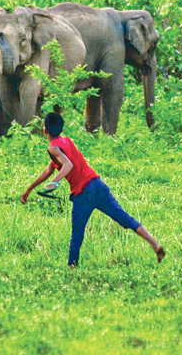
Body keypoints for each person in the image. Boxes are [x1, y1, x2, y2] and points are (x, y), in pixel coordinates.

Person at [21, 112, 165, 267]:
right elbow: (48, 170)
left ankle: (71, 269)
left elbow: (68, 165)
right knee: (124, 218)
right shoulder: (65, 141)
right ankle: (154, 244)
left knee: (77, 235)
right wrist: (29, 189)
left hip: (83, 193)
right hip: (98, 185)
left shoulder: (53, 148)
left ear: (45, 130)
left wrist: (54, 183)